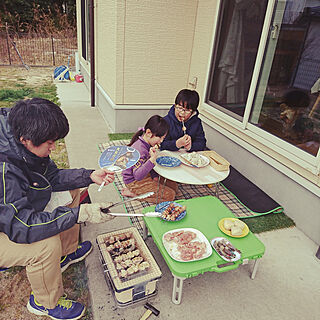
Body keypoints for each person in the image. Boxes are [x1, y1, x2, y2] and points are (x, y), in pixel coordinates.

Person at [0, 98, 116, 320]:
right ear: (25, 140)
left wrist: (89, 175)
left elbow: (51, 177)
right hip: (8, 225)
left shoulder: (24, 138)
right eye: (49, 143)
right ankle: (44, 303)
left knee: (73, 191)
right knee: (45, 245)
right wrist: (78, 214)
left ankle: (65, 254)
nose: (54, 148)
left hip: (11, 210)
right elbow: (21, 226)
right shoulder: (4, 170)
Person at [121, 115, 177, 203]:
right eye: (160, 138)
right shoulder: (140, 150)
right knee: (170, 195)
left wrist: (154, 176)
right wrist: (152, 160)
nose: (161, 141)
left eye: (163, 138)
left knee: (174, 186)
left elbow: (145, 164)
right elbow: (137, 176)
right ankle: (134, 195)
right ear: (148, 133)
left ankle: (145, 188)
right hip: (134, 182)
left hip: (145, 174)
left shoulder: (146, 144)